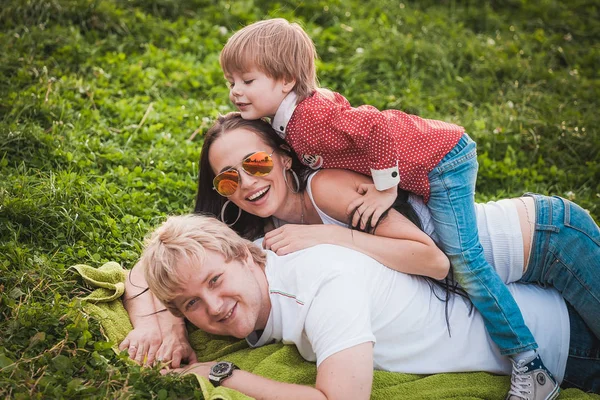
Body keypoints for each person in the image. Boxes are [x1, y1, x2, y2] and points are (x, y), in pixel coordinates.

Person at [218, 18, 553, 393]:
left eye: (247, 82)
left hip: (442, 163)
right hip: (434, 169)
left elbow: (375, 126)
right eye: (231, 82)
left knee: (466, 261)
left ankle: (528, 361)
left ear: (285, 81)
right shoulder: (288, 122)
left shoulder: (308, 118)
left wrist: (385, 187)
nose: (236, 91)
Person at [136, 214, 600, 399]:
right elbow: (141, 271)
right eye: (191, 303)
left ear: (241, 254)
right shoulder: (261, 258)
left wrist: (221, 373)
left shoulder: (320, 284)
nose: (213, 307)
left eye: (215, 282)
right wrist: (168, 325)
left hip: (563, 346)